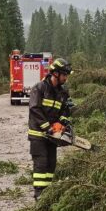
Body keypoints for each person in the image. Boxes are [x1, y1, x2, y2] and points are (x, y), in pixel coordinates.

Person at [27, 58, 73, 200]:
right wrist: (47, 127)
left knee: (51, 163)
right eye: (64, 74)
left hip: (53, 135)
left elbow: (65, 110)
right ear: (56, 74)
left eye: (66, 75)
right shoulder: (40, 88)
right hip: (38, 134)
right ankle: (39, 193)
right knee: (41, 163)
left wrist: (63, 124)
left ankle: (47, 192)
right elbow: (35, 109)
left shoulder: (63, 92)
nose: (66, 78)